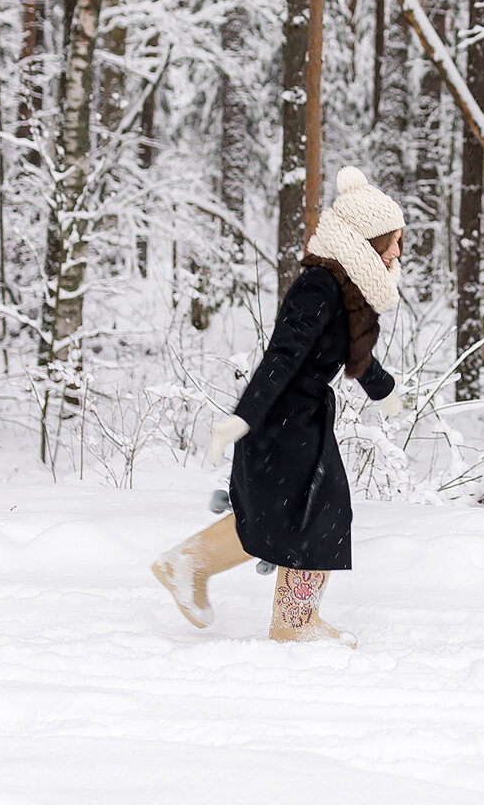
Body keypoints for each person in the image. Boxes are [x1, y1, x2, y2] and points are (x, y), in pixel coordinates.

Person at [151, 167, 405, 644]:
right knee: (314, 513)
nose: (396, 252)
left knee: (287, 513)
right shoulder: (320, 286)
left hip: (301, 415)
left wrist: (383, 388)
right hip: (283, 418)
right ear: (365, 241)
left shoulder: (346, 287)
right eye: (389, 241)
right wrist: (243, 417)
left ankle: (188, 567)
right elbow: (282, 356)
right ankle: (291, 622)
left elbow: (351, 354)